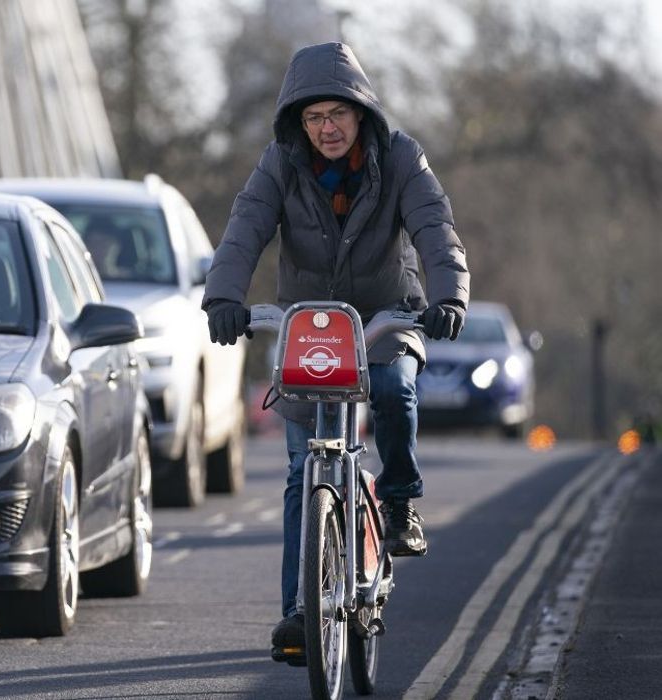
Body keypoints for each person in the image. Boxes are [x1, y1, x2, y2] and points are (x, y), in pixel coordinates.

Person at [200, 42, 470, 659]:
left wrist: (448, 296)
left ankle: (399, 500)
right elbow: (245, 227)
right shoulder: (279, 164)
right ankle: (299, 614)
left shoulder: (401, 157)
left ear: (360, 112)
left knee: (396, 388)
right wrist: (224, 297)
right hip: (310, 328)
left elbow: (434, 225)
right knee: (303, 469)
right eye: (313, 117)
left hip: (386, 316)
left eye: (337, 115)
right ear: (298, 122)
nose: (326, 128)